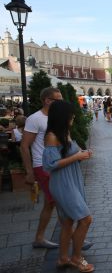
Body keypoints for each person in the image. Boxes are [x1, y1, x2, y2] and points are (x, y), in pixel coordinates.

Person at [42, 100, 94, 272]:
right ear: (62, 116)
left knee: (67, 222)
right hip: (62, 182)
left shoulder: (64, 132)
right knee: (85, 219)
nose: (73, 116)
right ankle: (76, 258)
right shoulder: (52, 136)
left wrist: (83, 153)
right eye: (70, 113)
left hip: (71, 178)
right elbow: (49, 165)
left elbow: (73, 151)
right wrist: (77, 157)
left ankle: (63, 258)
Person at [20, 87, 63, 249]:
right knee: (59, 201)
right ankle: (72, 235)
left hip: (56, 163)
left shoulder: (56, 117)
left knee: (50, 203)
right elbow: (24, 146)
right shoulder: (35, 119)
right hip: (42, 165)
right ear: (47, 100)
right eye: (58, 100)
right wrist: (29, 172)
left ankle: (39, 238)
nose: (61, 103)